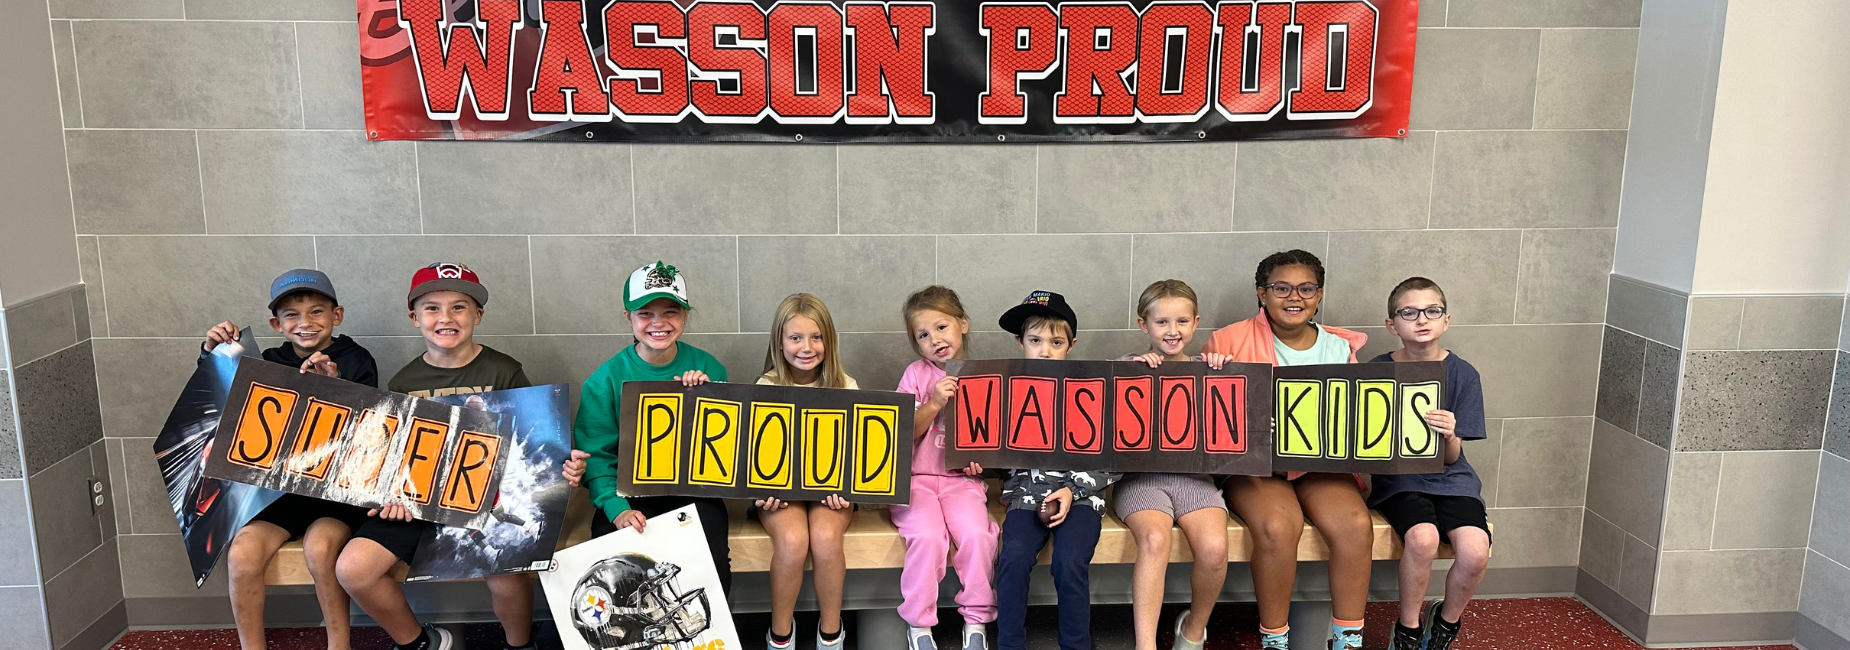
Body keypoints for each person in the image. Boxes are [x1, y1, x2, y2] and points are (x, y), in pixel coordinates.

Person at [333, 262, 537, 650]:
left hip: (483, 500)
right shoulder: (404, 383)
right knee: (353, 569)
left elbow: (524, 440)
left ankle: (520, 644)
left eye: (459, 307)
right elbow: (391, 455)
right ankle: (420, 642)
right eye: (432, 308)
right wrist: (391, 494)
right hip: (420, 507)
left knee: (508, 573)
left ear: (478, 314)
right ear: (415, 317)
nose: (446, 317)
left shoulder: (505, 371)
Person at [1203, 250, 1372, 650]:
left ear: (1319, 295)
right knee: (1278, 527)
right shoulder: (1228, 340)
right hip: (1257, 468)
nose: (1293, 297)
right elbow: (1213, 417)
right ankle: (1274, 640)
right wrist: (1211, 369)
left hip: (1320, 466)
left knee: (1355, 525)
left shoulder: (1338, 348)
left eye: (1306, 288)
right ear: (1262, 293)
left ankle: (1348, 640)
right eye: (1281, 288)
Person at [209, 269, 376, 650]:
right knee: (242, 553)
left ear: (338, 316)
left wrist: (331, 385)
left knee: (320, 548)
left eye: (317, 311)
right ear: (276, 323)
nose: (305, 323)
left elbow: (365, 432)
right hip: (281, 494)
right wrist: (214, 353)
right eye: (292, 315)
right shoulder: (265, 360)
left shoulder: (356, 359)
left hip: (337, 494)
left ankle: (339, 644)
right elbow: (221, 401)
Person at [567, 262, 732, 591]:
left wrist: (707, 395)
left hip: (693, 491)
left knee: (711, 561)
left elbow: (726, 448)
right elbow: (597, 456)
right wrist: (617, 510)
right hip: (627, 494)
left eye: (671, 311)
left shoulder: (708, 367)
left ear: (685, 316)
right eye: (645, 313)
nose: (659, 323)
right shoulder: (605, 380)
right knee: (617, 566)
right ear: (628, 317)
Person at [989, 291, 1120, 650]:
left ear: (1071, 345)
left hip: (1080, 497)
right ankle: (1009, 643)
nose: (1045, 350)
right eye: (1035, 340)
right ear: (1021, 343)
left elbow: (1117, 456)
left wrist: (1073, 490)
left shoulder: (1092, 390)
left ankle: (1076, 645)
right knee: (1013, 557)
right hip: (1026, 497)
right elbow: (987, 447)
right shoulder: (1004, 392)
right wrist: (980, 462)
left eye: (1055, 342)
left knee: (1069, 561)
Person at [1115, 280, 1234, 650]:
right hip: (1141, 481)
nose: (1172, 331)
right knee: (1154, 540)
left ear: (1196, 323)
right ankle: (1145, 645)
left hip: (1195, 480)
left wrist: (1225, 374)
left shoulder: (1210, 369)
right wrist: (1134, 372)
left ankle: (1193, 630)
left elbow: (1240, 420)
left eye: (1182, 321)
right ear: (1143, 325)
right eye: (1162, 322)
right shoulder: (1126, 366)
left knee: (1215, 549)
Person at [1372, 277, 1490, 650]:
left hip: (1452, 478)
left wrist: (1450, 434)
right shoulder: (1377, 369)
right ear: (1392, 325)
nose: (1422, 319)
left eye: (1432, 311)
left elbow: (1453, 457)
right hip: (1400, 479)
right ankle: (1407, 628)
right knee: (1422, 539)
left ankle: (1445, 624)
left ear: (1446, 320)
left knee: (1474, 549)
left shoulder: (1463, 374)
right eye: (1409, 312)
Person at [893, 286, 998, 650]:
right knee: (926, 537)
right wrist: (934, 402)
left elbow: (994, 439)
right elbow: (902, 435)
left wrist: (980, 461)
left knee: (976, 535)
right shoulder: (915, 375)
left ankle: (976, 621)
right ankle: (919, 624)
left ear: (963, 324)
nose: (935, 339)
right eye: (923, 335)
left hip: (961, 482)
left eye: (941, 327)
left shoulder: (985, 375)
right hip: (915, 480)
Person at [754, 293, 858, 650]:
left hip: (832, 492)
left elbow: (857, 454)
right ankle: (780, 635)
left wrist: (848, 487)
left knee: (827, 539)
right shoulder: (765, 388)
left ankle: (831, 635)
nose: (806, 347)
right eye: (795, 338)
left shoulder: (846, 386)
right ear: (779, 343)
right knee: (794, 541)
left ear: (829, 340)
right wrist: (761, 491)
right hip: (779, 495)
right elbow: (751, 458)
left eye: (816, 337)